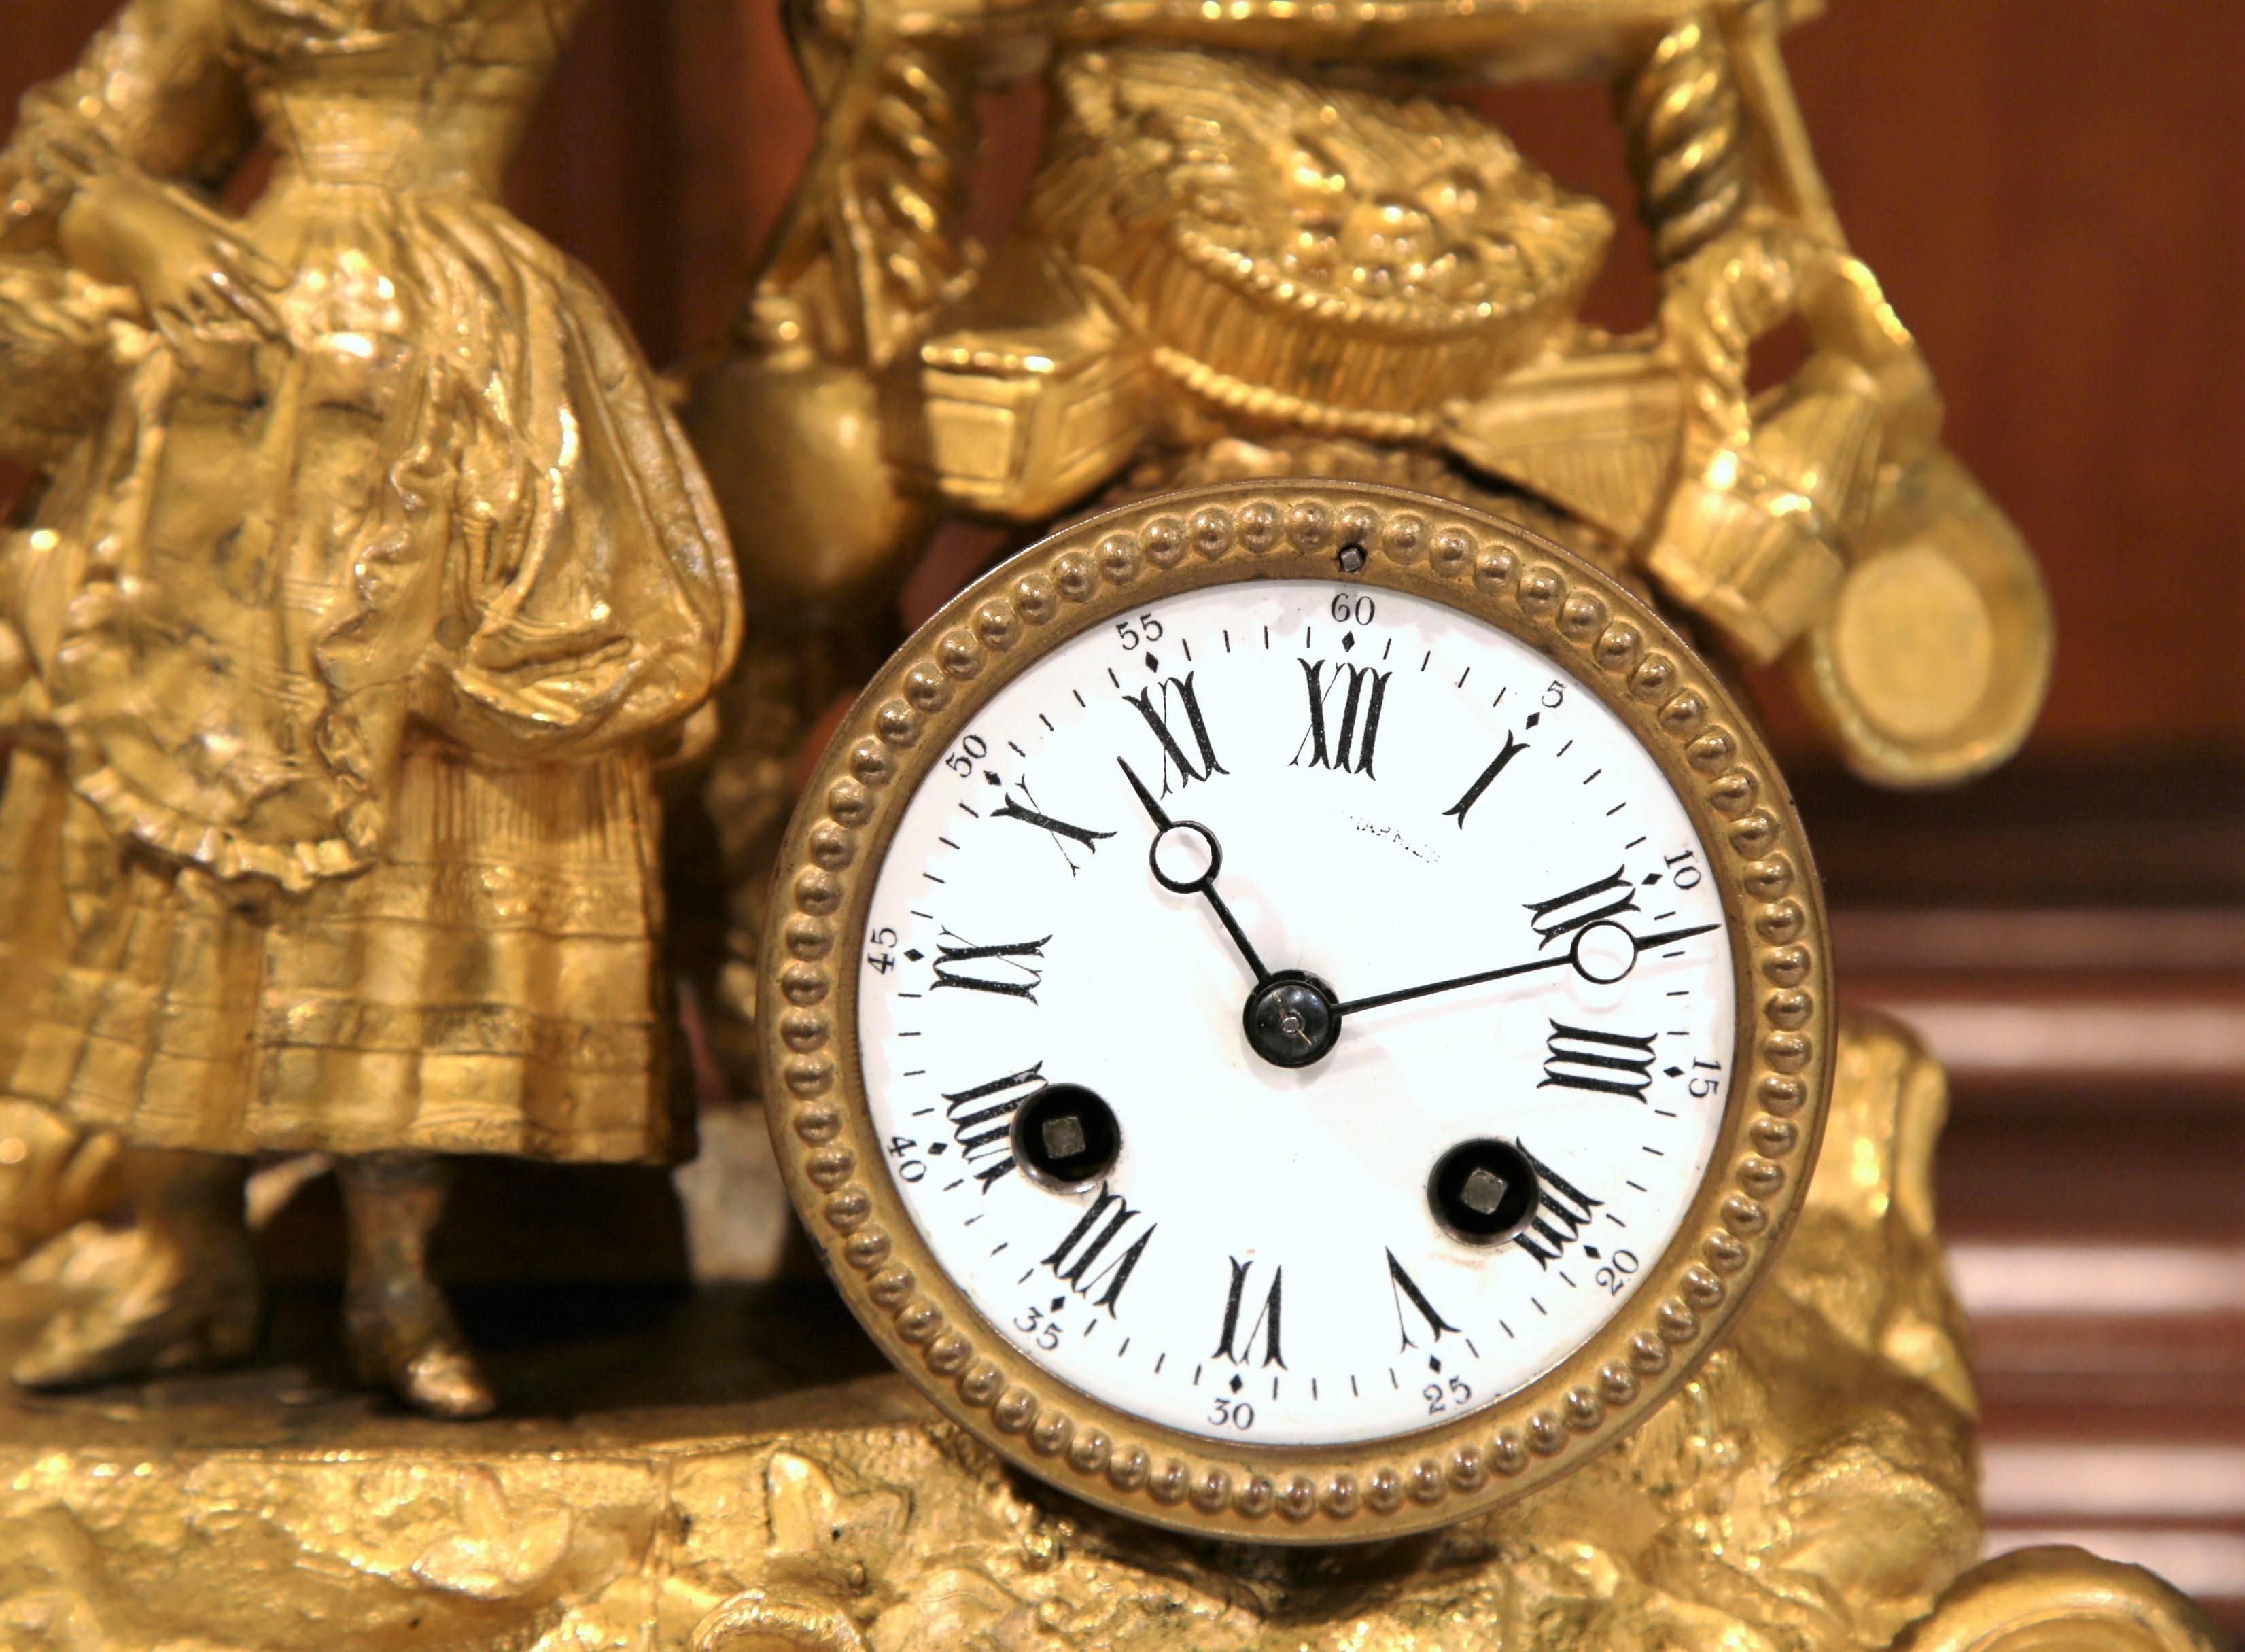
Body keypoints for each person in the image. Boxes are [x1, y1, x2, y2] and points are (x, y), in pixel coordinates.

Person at [0, 0, 739, 1417]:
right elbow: (76, 144)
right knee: (202, 785)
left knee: (431, 802)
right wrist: (134, 227)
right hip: (262, 367)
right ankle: (191, 1249)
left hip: (482, 365)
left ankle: (395, 1275)